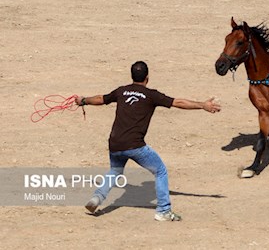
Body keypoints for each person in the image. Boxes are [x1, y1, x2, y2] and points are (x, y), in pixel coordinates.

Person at [75, 61, 221, 221]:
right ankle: (164, 210)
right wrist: (202, 105)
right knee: (160, 171)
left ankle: (97, 198)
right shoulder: (151, 95)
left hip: (115, 143)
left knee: (115, 171)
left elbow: (100, 99)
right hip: (135, 145)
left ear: (131, 76)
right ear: (147, 78)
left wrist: (83, 100)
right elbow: (178, 102)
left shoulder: (121, 91)